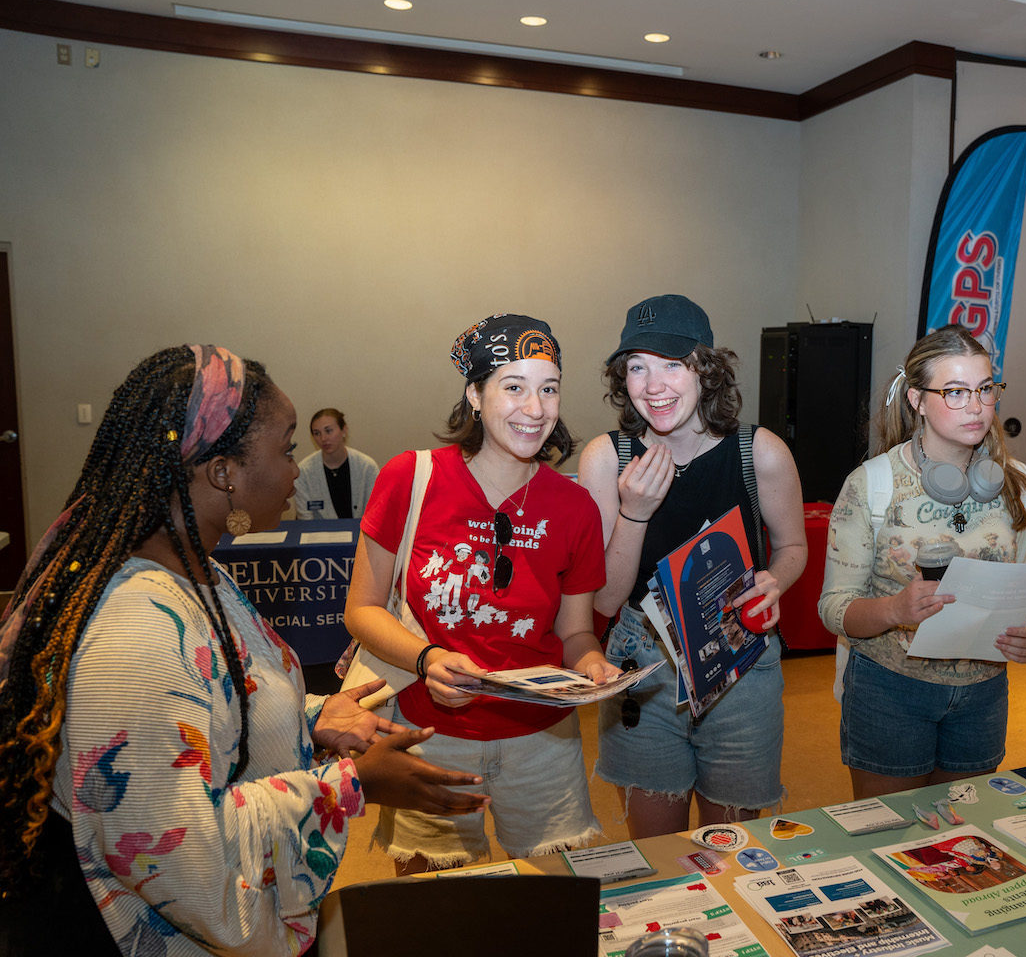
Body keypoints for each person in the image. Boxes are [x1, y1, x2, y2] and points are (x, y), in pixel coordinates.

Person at [0, 345, 486, 956]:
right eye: (286, 451)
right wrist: (352, 783)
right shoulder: (135, 634)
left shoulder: (191, 567)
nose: (295, 473)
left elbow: (214, 703)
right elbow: (186, 868)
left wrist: (309, 718)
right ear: (223, 472)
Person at [345, 314, 616, 871]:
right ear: (474, 393)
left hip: (543, 742)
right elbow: (363, 609)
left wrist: (592, 664)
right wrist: (429, 659)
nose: (535, 409)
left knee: (550, 910)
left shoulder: (574, 506)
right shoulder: (410, 477)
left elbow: (576, 630)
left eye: (549, 389)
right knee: (443, 916)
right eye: (513, 387)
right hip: (429, 734)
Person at [578, 293, 806, 839]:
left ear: (705, 368)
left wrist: (775, 579)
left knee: (730, 849)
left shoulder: (760, 452)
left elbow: (793, 547)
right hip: (642, 662)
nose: (653, 386)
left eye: (671, 365)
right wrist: (634, 512)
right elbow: (605, 601)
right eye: (637, 367)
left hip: (738, 655)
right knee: (658, 853)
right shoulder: (607, 459)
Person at [818, 326, 1026, 800]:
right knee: (887, 835)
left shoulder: (1015, 482)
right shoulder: (871, 485)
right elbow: (834, 608)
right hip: (890, 690)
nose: (977, 406)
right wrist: (893, 611)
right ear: (917, 400)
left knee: (956, 845)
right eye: (955, 392)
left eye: (985, 390)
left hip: (983, 694)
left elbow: (1021, 595)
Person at [291, 407, 380, 519]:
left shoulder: (367, 467)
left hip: (360, 533)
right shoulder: (303, 472)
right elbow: (305, 518)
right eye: (317, 433)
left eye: (328, 431)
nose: (323, 438)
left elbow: (374, 515)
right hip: (319, 534)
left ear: (344, 430)